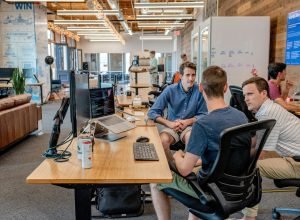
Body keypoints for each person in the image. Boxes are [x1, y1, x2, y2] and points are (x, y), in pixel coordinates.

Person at [150, 66, 251, 220]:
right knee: (197, 169)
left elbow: (184, 170)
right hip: (239, 187)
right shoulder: (241, 117)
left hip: (212, 190)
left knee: (155, 182)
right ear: (225, 88)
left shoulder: (202, 125)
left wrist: (177, 155)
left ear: (201, 88)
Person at [241, 76, 300, 220]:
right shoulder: (268, 108)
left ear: (263, 94)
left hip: (297, 162)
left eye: (250, 94)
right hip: (292, 158)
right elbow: (256, 141)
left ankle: (249, 217)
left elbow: (260, 154)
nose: (246, 99)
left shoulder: (268, 113)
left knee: (250, 168)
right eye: (244, 95)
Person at [147, 61, 207, 161]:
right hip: (171, 126)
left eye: (193, 75)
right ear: (181, 76)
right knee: (162, 141)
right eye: (187, 75)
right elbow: (152, 112)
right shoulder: (170, 90)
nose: (191, 79)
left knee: (192, 140)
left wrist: (188, 121)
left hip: (189, 127)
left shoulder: (199, 91)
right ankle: (173, 167)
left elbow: (204, 115)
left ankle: (185, 168)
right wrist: (169, 123)